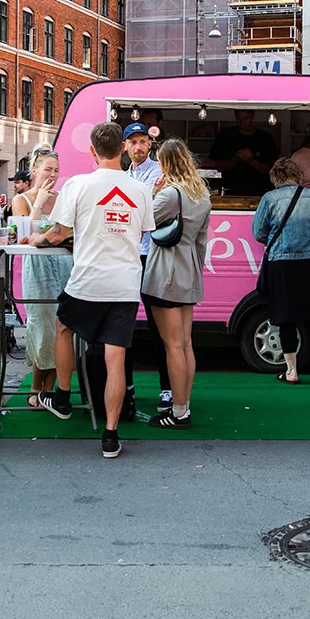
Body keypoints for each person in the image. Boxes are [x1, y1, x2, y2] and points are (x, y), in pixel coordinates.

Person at [29, 122, 155, 459]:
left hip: (88, 280)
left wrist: (38, 238)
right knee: (116, 359)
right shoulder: (140, 189)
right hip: (125, 283)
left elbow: (58, 233)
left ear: (92, 151)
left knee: (63, 326)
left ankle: (62, 397)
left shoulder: (78, 185)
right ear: (123, 148)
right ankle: (110, 436)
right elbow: (144, 231)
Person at [141, 139, 212, 429]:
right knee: (185, 344)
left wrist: (153, 193)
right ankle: (183, 404)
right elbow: (201, 241)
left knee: (172, 346)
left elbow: (142, 221)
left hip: (165, 272)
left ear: (165, 164)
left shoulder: (171, 194)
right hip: (188, 271)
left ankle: (179, 413)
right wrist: (195, 271)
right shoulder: (201, 194)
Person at [252, 158, 310, 384]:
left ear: (276, 177)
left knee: (285, 317)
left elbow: (258, 232)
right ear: (296, 174)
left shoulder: (270, 198)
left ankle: (291, 372)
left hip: (281, 264)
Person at [11, 145, 71, 407]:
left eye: (56, 170)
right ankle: (36, 386)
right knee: (41, 327)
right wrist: (37, 203)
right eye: (48, 169)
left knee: (61, 326)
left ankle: (50, 389)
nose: (53, 175)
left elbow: (68, 231)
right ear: (34, 171)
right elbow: (24, 235)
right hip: (38, 268)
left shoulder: (62, 198)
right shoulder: (21, 200)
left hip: (64, 265)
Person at [122, 120, 169, 415]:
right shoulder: (124, 175)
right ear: (125, 146)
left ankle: (167, 389)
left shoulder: (159, 172)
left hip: (151, 255)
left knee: (159, 327)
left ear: (150, 144)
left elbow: (144, 212)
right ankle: (126, 390)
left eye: (142, 141)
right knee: (124, 326)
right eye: (133, 142)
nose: (138, 147)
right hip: (129, 256)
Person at [210, 109, 278, 197]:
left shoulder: (265, 138)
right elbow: (218, 166)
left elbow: (272, 170)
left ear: (253, 116)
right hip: (230, 191)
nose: (243, 122)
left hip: (259, 191)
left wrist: (252, 161)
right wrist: (236, 159)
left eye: (246, 118)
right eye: (239, 118)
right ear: (235, 116)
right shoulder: (225, 135)